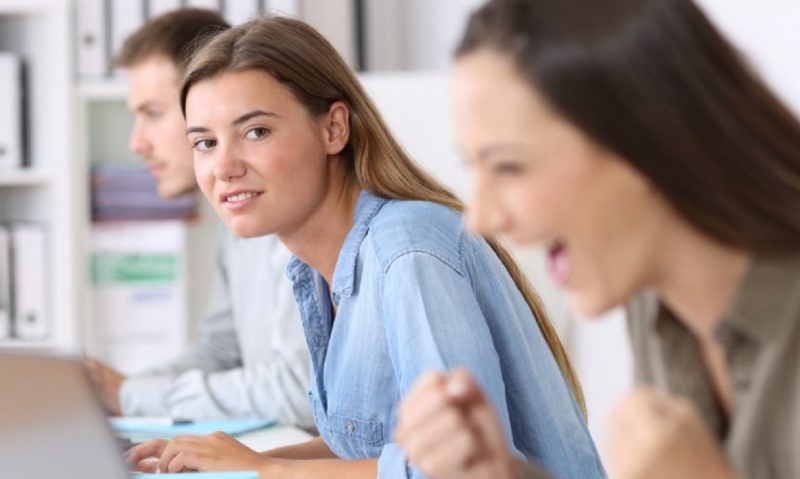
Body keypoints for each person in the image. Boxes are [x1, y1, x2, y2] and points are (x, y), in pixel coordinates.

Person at [124, 16, 606, 479]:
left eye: (256, 131)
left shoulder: (406, 249)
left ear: (334, 128)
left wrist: (267, 469)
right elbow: (369, 444)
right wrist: (237, 460)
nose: (223, 167)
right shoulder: (316, 269)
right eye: (205, 143)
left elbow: (466, 470)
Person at [393, 0, 800, 478]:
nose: (479, 220)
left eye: (508, 166)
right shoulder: (655, 302)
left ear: (649, 141)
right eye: (474, 165)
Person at [84, 8, 313, 428]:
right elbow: (223, 350)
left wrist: (131, 395)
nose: (137, 142)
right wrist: (117, 391)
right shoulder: (239, 221)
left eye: (152, 113)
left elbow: (301, 389)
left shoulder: (293, 218)